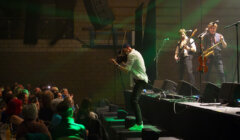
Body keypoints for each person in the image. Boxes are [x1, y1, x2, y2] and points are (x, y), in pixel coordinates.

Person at [111, 43, 148, 131]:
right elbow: (129, 66)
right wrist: (122, 63)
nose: (124, 54)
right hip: (140, 80)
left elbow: (127, 70)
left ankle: (139, 124)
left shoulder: (132, 55)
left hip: (141, 80)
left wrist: (116, 64)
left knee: (134, 100)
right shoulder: (135, 53)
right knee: (133, 100)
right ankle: (139, 122)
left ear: (128, 48)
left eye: (124, 51)